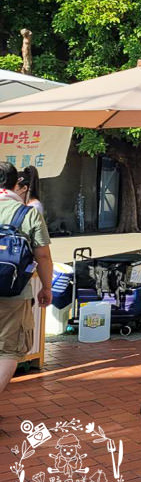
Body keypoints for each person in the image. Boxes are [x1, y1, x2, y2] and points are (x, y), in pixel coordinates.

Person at [0, 162, 53, 401]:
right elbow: (42, 255)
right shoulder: (28, 213)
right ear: (16, 183)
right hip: (14, 291)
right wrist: (46, 287)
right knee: (8, 350)